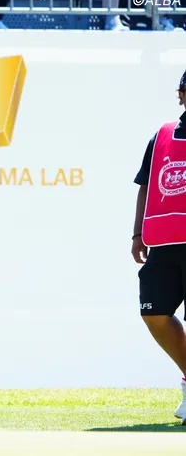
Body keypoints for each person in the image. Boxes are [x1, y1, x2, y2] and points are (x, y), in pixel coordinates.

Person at [132, 70, 186, 425]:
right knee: (154, 314)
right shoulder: (163, 134)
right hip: (164, 244)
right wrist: (137, 234)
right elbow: (145, 185)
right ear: (181, 94)